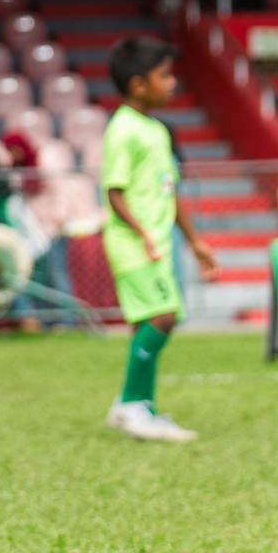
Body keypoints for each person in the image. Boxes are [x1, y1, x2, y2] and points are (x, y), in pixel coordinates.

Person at [102, 37, 220, 442]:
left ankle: (137, 407)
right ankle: (134, 407)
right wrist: (143, 235)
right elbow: (114, 192)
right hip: (135, 244)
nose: (172, 84)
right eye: (164, 76)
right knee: (164, 317)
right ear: (138, 84)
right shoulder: (123, 130)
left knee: (149, 323)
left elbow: (170, 193)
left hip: (156, 242)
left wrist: (195, 241)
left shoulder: (157, 131)